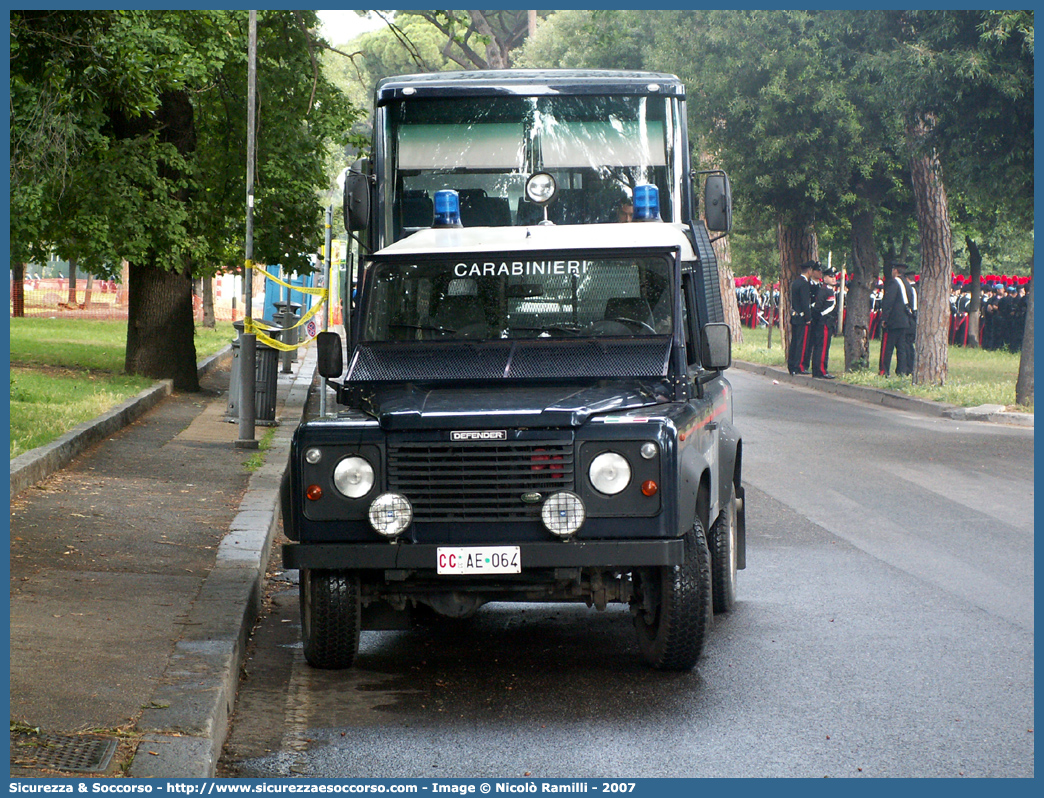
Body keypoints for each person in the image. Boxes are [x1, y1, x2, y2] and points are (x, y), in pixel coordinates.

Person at [879, 262, 912, 376]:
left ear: (895, 271)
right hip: (904, 321)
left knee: (887, 348)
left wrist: (884, 318)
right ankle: (901, 371)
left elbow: (889, 301)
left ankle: (884, 370)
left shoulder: (894, 283)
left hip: (893, 321)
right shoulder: (907, 285)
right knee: (901, 348)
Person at [787, 260, 816, 375]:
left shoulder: (795, 282)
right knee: (801, 342)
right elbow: (805, 303)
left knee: (795, 341)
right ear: (809, 271)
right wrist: (808, 317)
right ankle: (798, 366)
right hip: (802, 317)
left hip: (795, 316)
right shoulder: (804, 284)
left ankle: (792, 364)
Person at [811, 265, 838, 378]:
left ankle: (819, 369)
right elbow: (818, 307)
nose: (833, 279)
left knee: (823, 347)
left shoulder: (829, 290)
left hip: (828, 322)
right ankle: (821, 370)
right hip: (824, 322)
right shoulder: (824, 290)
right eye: (830, 277)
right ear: (825, 278)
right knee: (822, 347)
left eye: (834, 277)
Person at [898, 272, 918, 376]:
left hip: (911, 321)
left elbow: (914, 308)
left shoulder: (912, 289)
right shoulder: (916, 288)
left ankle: (909, 367)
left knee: (908, 345)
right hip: (913, 320)